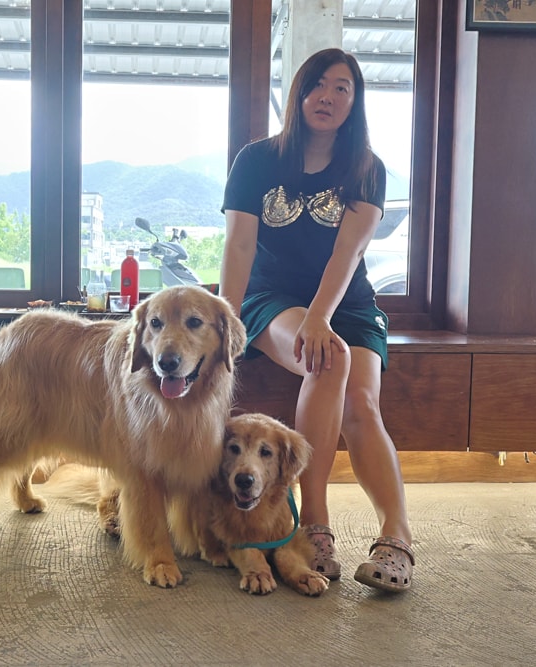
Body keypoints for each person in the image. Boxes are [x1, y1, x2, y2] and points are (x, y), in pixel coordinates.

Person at [220, 48, 414, 592]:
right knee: (328, 359)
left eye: (342, 88)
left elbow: (346, 255)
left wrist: (322, 317)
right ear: (299, 95)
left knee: (362, 401)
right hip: (272, 298)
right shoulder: (257, 160)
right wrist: (227, 327)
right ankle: (316, 522)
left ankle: (396, 537)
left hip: (347, 302)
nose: (328, 97)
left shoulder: (367, 170)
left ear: (355, 103)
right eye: (318, 86)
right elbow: (238, 247)